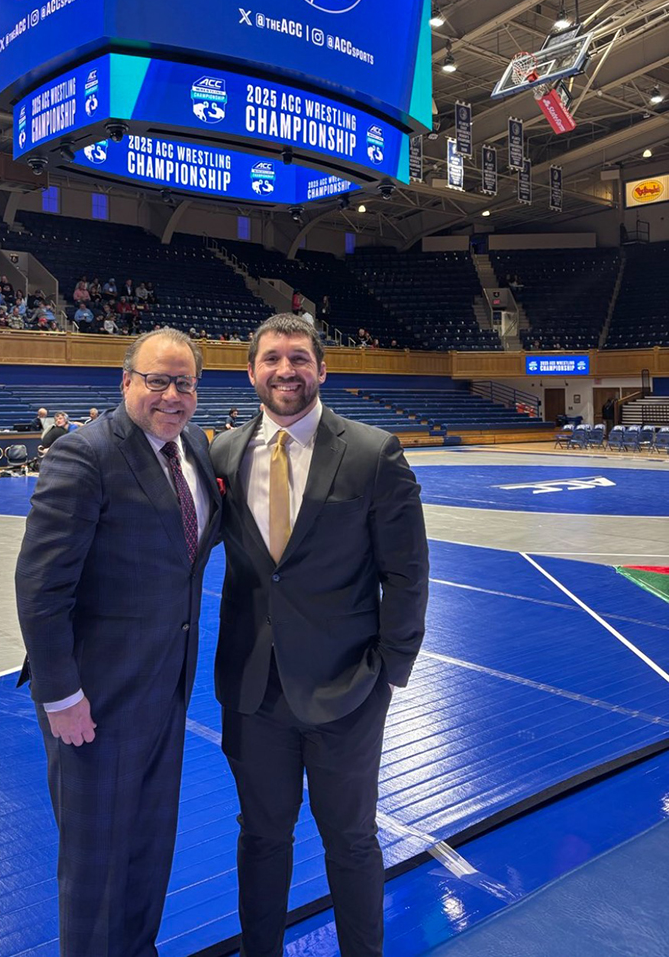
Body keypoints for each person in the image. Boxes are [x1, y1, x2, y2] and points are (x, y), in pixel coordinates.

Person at [210, 314, 429, 957]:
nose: (286, 370)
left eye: (299, 358)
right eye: (272, 358)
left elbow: (408, 572)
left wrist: (390, 670)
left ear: (322, 369)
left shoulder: (371, 452)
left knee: (352, 840)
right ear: (251, 371)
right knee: (261, 838)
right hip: (254, 693)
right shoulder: (222, 454)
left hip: (349, 689)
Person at [15, 329, 222, 957]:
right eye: (157, 380)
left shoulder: (193, 447)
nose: (171, 394)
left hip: (166, 687)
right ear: (126, 380)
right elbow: (41, 588)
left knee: (150, 843)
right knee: (97, 860)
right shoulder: (84, 456)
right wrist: (61, 697)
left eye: (184, 382)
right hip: (95, 699)